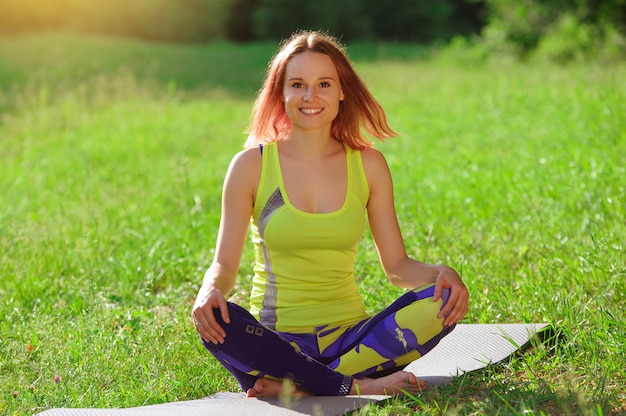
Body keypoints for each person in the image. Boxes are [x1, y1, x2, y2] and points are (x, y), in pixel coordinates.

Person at [192, 30, 469, 398]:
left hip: (351, 339)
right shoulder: (251, 166)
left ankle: (298, 385)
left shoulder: (368, 165)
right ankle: (350, 385)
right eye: (298, 85)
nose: (311, 96)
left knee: (437, 302)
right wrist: (208, 291)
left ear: (342, 91)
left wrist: (442, 275)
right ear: (281, 93)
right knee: (221, 320)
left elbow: (398, 266)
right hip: (277, 341)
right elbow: (224, 267)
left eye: (324, 83)